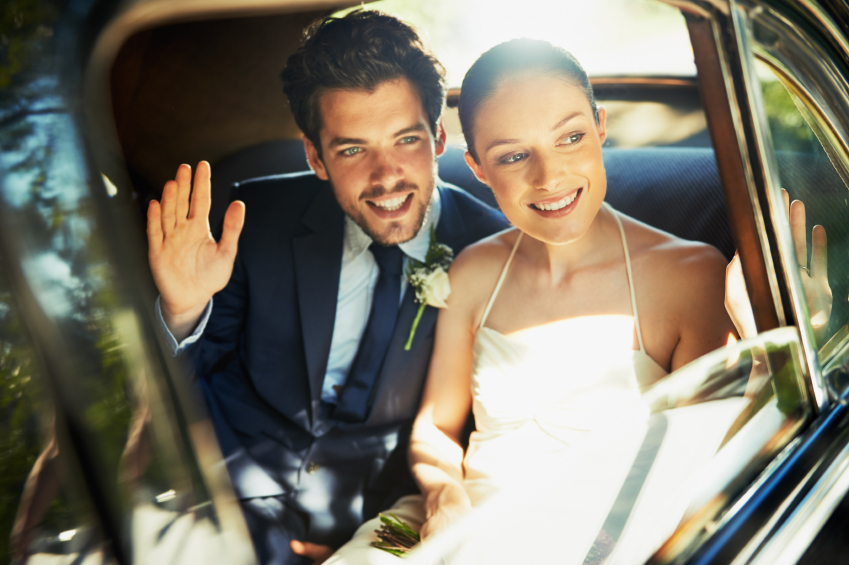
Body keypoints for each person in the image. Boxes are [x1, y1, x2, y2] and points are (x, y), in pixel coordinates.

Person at [324, 38, 739, 564]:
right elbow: (436, 428)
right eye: (514, 155)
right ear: (476, 167)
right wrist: (443, 493)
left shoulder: (691, 275)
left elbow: (704, 464)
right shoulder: (474, 270)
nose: (550, 177)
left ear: (600, 127)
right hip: (452, 522)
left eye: (570, 137)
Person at [146, 10, 506, 565]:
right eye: (352, 149)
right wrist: (182, 310)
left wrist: (366, 540)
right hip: (226, 496)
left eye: (405, 140)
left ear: (437, 137)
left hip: (377, 517)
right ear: (315, 156)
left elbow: (483, 424)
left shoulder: (494, 250)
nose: (386, 175)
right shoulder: (253, 218)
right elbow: (190, 385)